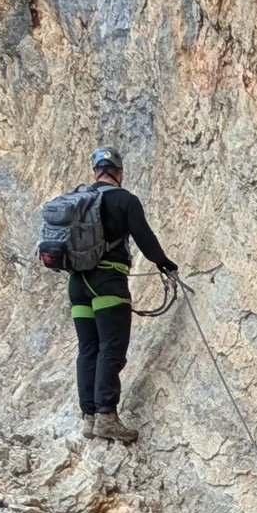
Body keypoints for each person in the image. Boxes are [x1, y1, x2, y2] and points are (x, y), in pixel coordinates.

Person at [67, 148, 178, 442]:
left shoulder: (77, 200)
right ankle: (107, 416)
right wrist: (166, 265)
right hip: (108, 283)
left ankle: (89, 418)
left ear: (95, 172)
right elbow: (145, 238)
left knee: (87, 349)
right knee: (111, 348)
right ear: (120, 172)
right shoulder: (125, 200)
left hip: (77, 285)